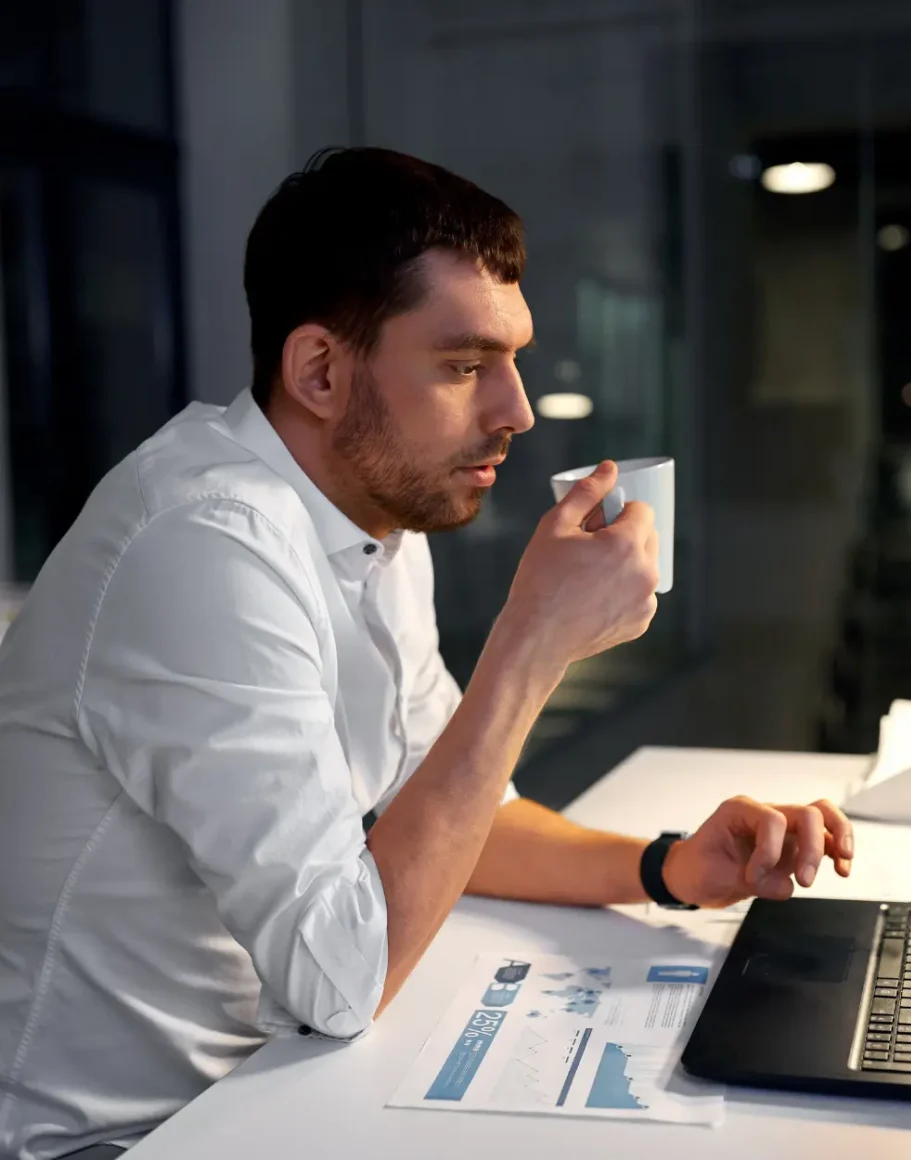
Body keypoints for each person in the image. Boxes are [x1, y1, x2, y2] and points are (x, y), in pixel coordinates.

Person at [0, 148, 854, 1159]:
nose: (516, 410)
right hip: (114, 1140)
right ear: (319, 369)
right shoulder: (202, 542)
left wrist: (664, 866)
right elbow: (341, 977)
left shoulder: (375, 520)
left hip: (265, 1086)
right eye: (462, 365)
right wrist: (529, 646)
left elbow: (452, 814)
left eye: (513, 358)